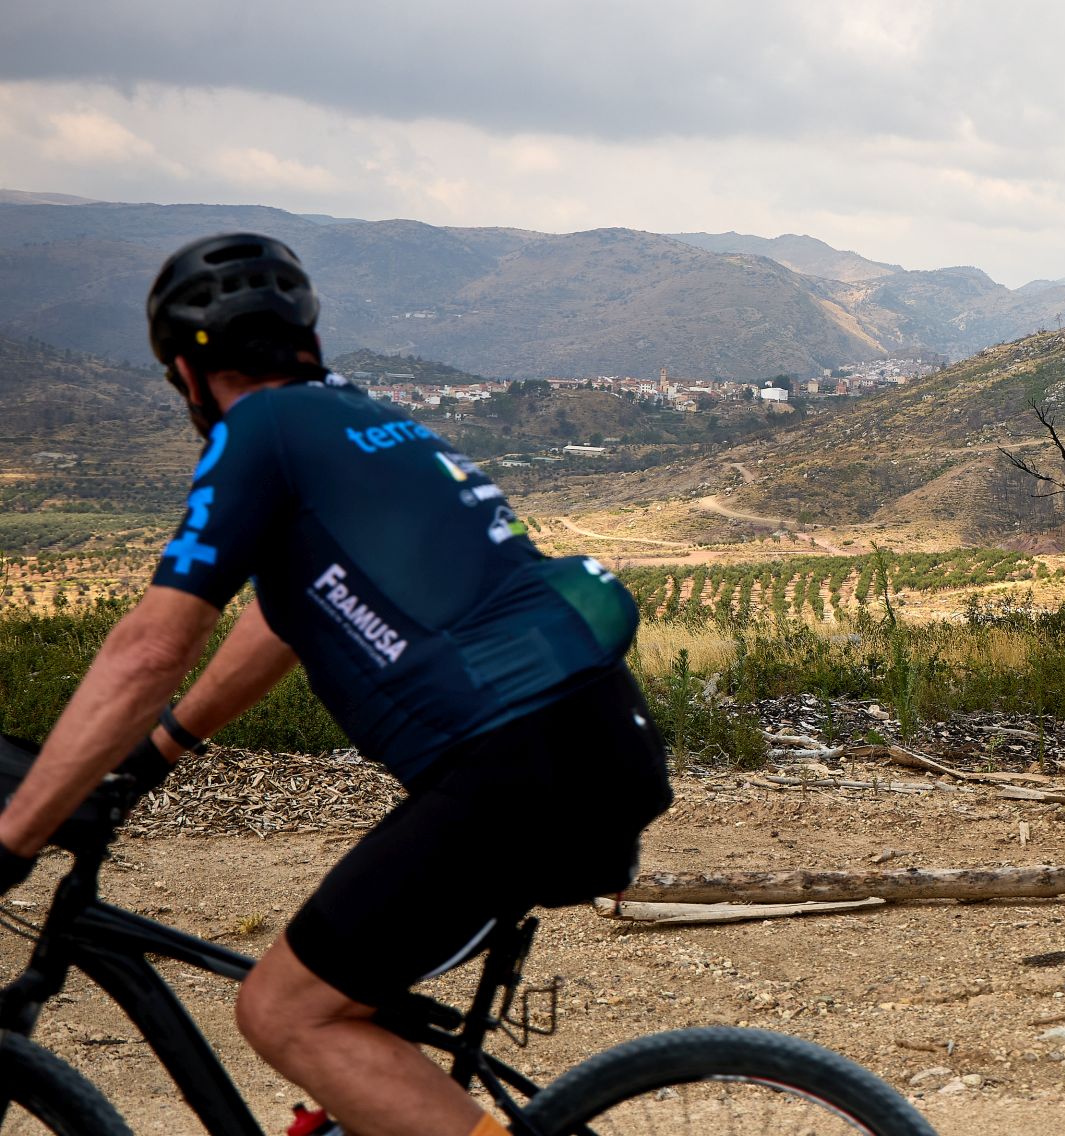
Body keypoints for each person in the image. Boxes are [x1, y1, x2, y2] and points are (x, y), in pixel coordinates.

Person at [0, 233, 672, 1136]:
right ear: (304, 340)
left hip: (514, 768)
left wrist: (15, 835)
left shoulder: (259, 431)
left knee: (286, 1011)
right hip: (596, 735)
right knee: (346, 1007)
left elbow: (151, 648)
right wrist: (160, 748)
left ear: (189, 373)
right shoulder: (359, 419)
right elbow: (278, 622)